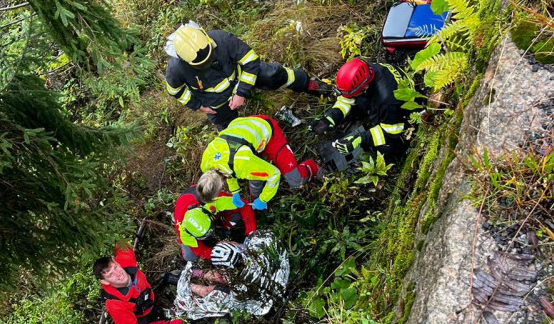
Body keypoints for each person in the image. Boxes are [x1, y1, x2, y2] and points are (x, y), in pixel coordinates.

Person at [164, 22, 324, 128]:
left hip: (240, 78)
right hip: (215, 102)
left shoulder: (221, 38)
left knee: (273, 74)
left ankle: (310, 85)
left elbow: (250, 60)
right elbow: (174, 90)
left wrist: (241, 92)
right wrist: (197, 105)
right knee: (229, 130)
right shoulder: (176, 67)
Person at [199, 116, 319, 210]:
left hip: (266, 130)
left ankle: (316, 168)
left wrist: (263, 199)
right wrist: (235, 191)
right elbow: (224, 168)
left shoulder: (242, 165)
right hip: (242, 129)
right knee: (255, 179)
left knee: (295, 179)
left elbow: (274, 174)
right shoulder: (206, 163)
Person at [172, 232, 290, 320]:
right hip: (279, 279)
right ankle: (194, 276)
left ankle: (189, 284)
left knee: (213, 289)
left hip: (265, 301)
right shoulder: (260, 244)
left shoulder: (240, 285)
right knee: (218, 279)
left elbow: (232, 300)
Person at [312, 57, 411, 161]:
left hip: (403, 117)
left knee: (385, 150)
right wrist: (330, 118)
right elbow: (346, 100)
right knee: (357, 102)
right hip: (389, 98)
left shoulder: (387, 101)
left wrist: (361, 139)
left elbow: (392, 131)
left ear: (365, 87)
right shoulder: (365, 71)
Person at [174, 179, 256, 263]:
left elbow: (244, 205)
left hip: (199, 197)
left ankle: (225, 227)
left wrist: (250, 233)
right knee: (189, 256)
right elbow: (200, 251)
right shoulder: (184, 234)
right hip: (185, 205)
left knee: (236, 216)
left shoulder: (214, 200)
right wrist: (218, 252)